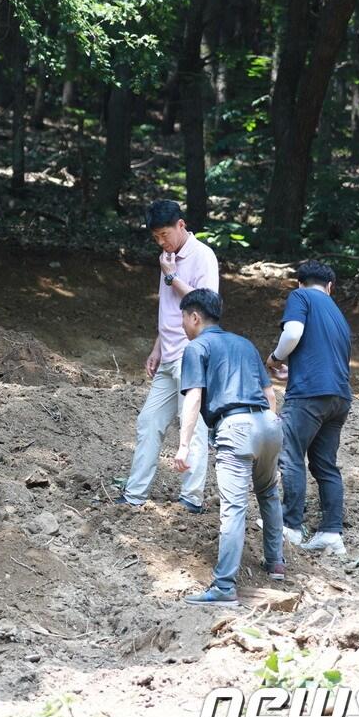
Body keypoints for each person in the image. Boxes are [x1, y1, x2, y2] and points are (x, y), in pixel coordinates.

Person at [170, 288, 284, 606]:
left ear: (195, 317)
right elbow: (271, 395)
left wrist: (183, 446)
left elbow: (193, 397)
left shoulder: (197, 348)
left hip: (235, 427)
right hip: (269, 423)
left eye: (182, 317)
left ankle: (223, 587)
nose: (181, 324)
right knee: (269, 493)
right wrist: (266, 430)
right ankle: (276, 563)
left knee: (233, 508)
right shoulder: (245, 344)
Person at [118, 200, 220, 513]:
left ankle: (191, 499)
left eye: (165, 234)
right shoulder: (167, 257)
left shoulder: (202, 256)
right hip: (169, 354)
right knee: (149, 421)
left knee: (194, 427)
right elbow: (170, 308)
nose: (162, 242)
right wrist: (157, 346)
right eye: (156, 238)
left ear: (181, 225)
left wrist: (172, 276)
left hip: (193, 354)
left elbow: (207, 306)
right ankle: (134, 494)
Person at [266, 260, 352, 556]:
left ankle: (290, 527)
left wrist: (276, 358)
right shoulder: (338, 314)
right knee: (325, 464)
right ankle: (331, 532)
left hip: (309, 395)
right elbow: (324, 355)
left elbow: (292, 334)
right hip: (339, 397)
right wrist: (295, 369)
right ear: (330, 287)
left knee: (290, 454)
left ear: (300, 283)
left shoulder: (300, 297)